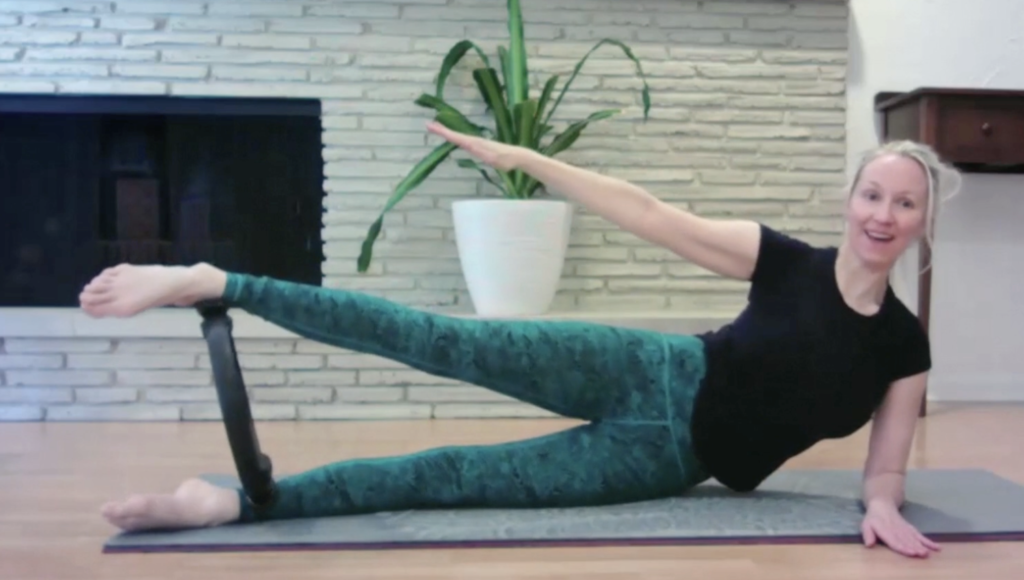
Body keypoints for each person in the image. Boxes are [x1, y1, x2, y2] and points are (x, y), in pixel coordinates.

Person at [82, 120, 962, 560]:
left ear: (924, 223)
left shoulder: (902, 347)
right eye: (872, 195)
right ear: (852, 200)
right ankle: (216, 281)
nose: (883, 215)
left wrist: (881, 506)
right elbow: (650, 212)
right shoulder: (785, 262)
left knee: (451, 479)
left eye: (904, 203)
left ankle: (234, 502)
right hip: (645, 369)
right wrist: (531, 162)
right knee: (436, 339)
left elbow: (885, 466)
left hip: (662, 464)